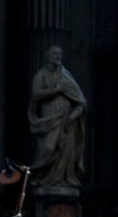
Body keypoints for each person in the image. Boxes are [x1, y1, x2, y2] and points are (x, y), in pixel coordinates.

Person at [28, 45, 87, 190]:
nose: (58, 56)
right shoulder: (41, 75)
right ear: (47, 55)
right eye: (54, 53)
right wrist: (56, 90)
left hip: (66, 122)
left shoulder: (66, 76)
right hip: (49, 120)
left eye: (60, 54)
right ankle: (41, 177)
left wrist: (72, 117)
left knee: (65, 151)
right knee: (48, 148)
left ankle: (63, 180)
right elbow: (36, 94)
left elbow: (81, 102)